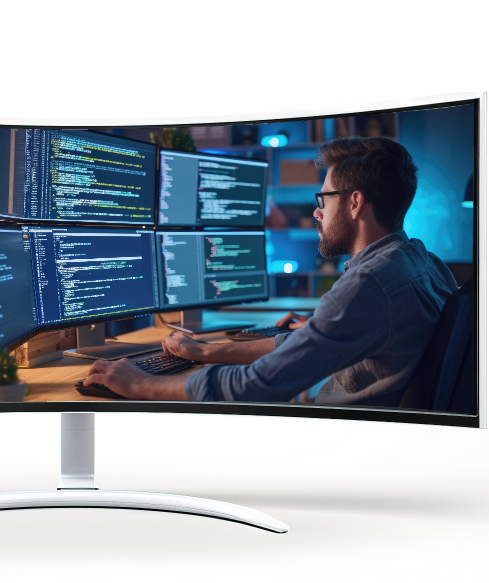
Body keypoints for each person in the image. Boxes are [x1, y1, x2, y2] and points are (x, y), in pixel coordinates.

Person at [82, 136, 458, 406]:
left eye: (323, 199)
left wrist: (142, 385)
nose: (316, 212)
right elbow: (306, 343)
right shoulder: (423, 261)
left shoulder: (370, 284)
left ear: (356, 202)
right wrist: (207, 351)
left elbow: (258, 386)